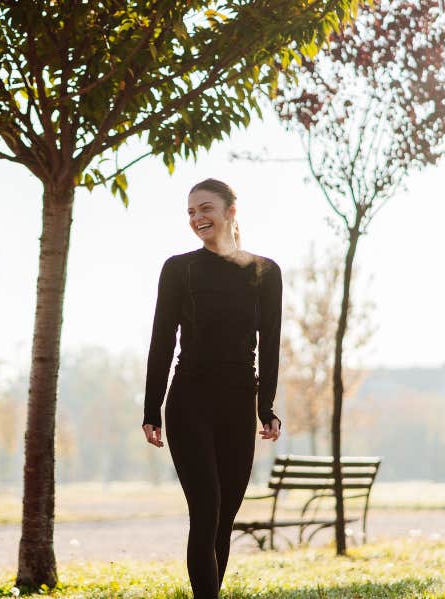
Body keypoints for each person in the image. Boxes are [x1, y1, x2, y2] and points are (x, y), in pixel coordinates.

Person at [141, 178, 282, 599]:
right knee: (205, 512)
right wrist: (151, 409)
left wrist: (266, 406)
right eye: (190, 212)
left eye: (205, 209)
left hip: (238, 402)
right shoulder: (179, 268)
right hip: (189, 402)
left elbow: (270, 343)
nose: (197, 218)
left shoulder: (265, 271)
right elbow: (162, 340)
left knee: (224, 518)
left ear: (230, 212)